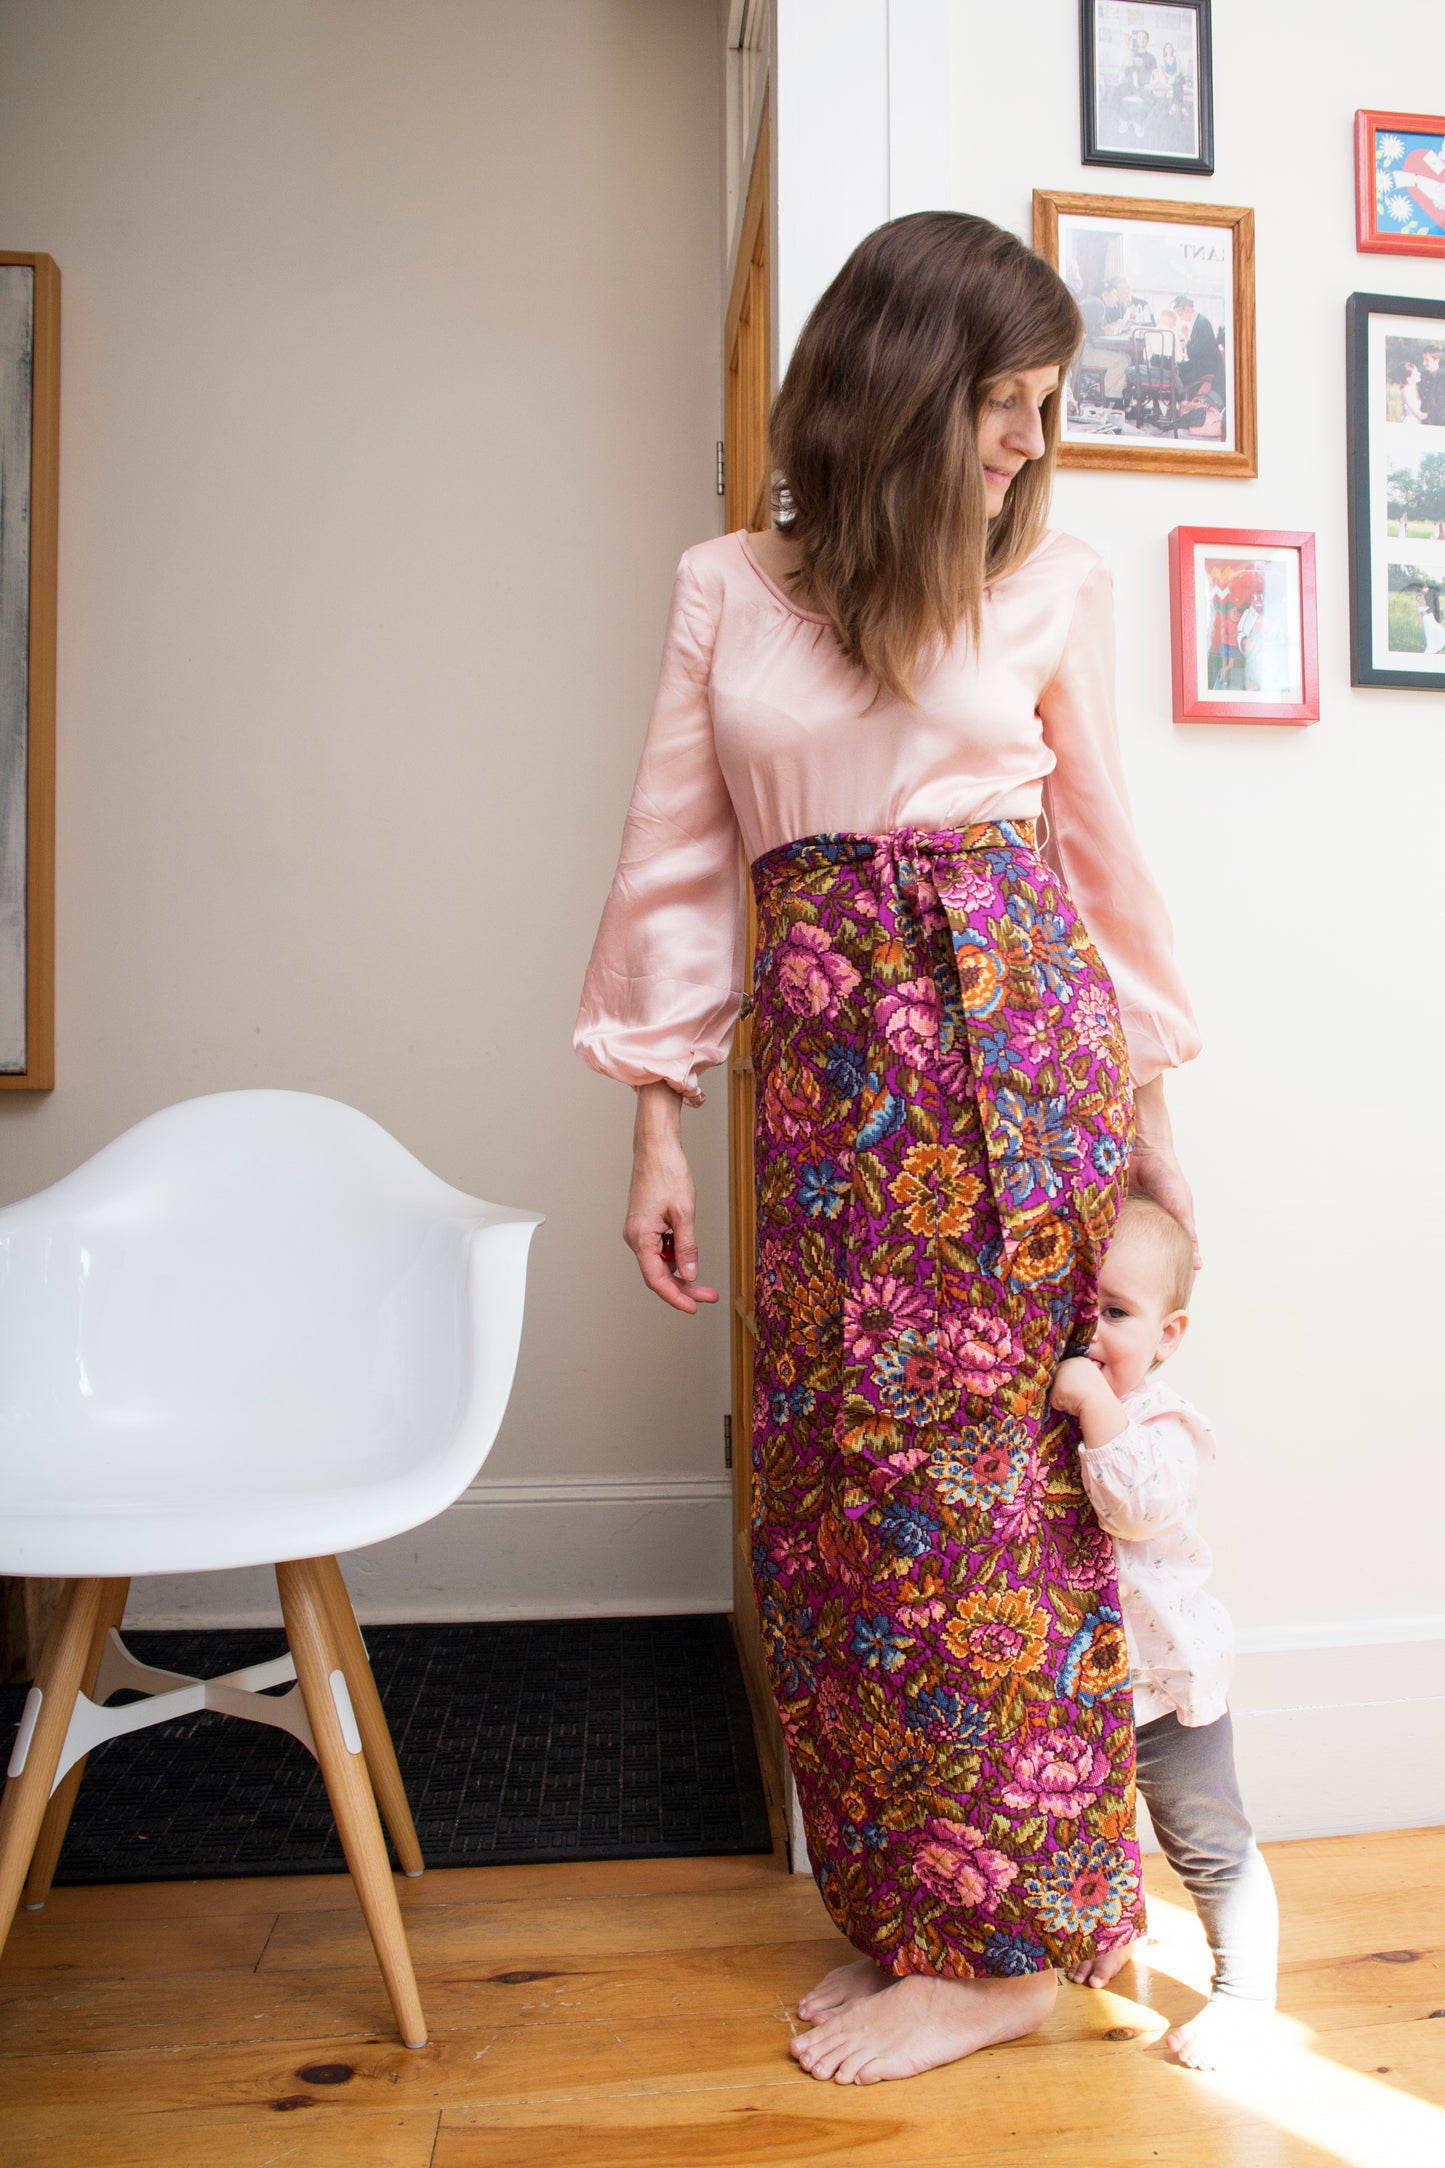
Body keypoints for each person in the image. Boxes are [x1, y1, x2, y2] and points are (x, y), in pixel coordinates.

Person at [575, 211, 1200, 2086]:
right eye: (1001, 403)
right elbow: (680, 861)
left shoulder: (1047, 583)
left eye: (1043, 408)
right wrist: (654, 1121)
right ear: (900, 386)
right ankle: (915, 1907)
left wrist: (1159, 1155)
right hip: (834, 1104)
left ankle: (1015, 1949)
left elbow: (1099, 862)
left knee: (997, 1513)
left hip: (1019, 1085)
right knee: (839, 1506)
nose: (1025, 443)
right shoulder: (728, 586)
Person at [1050, 1197, 1279, 2071]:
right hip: (1082, 1690)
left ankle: (1244, 1996)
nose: (1088, 1336)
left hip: (1163, 1691)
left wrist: (1087, 1403)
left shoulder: (1162, 1424)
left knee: (1209, 1848)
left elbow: (1138, 1510)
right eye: (1075, 1314)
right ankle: (1110, 1928)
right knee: (1091, 1831)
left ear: (1167, 1333)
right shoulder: (1063, 1413)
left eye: (1113, 1314)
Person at [1420, 348, 1445, 427]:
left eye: (1427, 360)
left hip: (1440, 423)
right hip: (1422, 423)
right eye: (1423, 360)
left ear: (1437, 360)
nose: (1424, 363)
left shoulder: (1443, 378)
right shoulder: (1421, 377)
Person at [1401, 360, 1427, 425]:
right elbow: (1419, 415)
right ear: (1408, 378)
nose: (1419, 374)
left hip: (1419, 423)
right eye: (1416, 372)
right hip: (1411, 423)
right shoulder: (1406, 391)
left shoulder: (1417, 387)